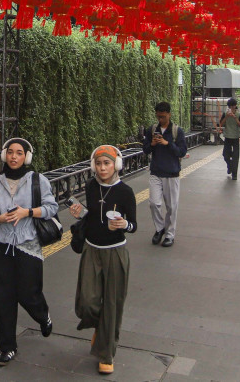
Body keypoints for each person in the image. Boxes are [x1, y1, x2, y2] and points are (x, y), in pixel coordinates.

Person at [0, 137, 58, 366]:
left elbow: (52, 207)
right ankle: (7, 347)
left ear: (27, 156)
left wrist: (28, 212)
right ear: (5, 155)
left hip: (29, 244)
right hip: (3, 246)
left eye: (20, 153)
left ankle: (42, 315)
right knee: (3, 297)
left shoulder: (37, 180)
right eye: (11, 152)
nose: (15, 157)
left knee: (28, 293)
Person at [68, 145, 137, 376]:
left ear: (116, 164)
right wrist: (81, 213)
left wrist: (124, 225)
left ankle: (106, 354)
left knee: (112, 304)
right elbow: (94, 217)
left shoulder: (125, 192)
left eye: (107, 163)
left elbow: (134, 225)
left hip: (115, 252)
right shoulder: (90, 186)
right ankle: (100, 326)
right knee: (87, 301)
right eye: (98, 164)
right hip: (91, 250)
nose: (102, 168)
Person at [142, 101, 187, 247]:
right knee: (154, 203)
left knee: (171, 207)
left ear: (169, 114)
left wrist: (168, 144)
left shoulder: (176, 131)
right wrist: (153, 144)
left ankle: (170, 235)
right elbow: (145, 150)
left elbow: (182, 151)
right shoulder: (152, 129)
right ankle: (160, 228)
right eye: (158, 117)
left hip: (172, 173)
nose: (160, 120)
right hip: (156, 171)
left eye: (163, 117)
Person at [219, 98, 240, 179]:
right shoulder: (225, 113)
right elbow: (221, 124)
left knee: (236, 156)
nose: (231, 108)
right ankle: (230, 165)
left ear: (235, 106)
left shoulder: (239, 114)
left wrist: (235, 117)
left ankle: (234, 174)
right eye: (230, 107)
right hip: (227, 136)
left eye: (233, 106)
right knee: (225, 154)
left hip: (235, 137)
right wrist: (226, 117)